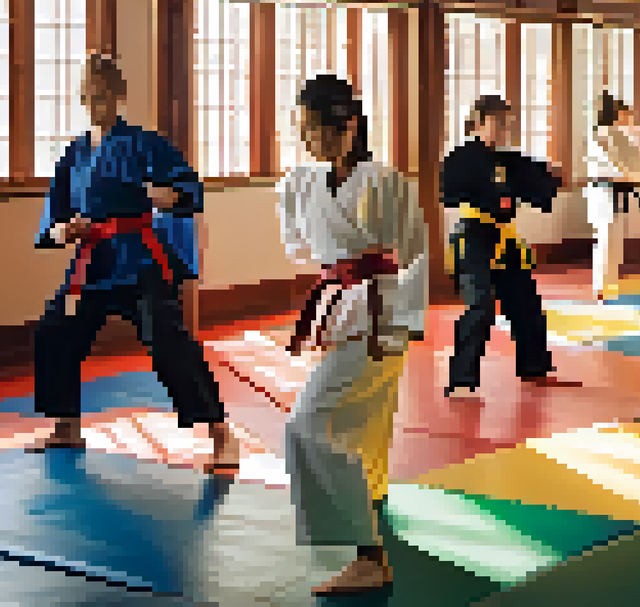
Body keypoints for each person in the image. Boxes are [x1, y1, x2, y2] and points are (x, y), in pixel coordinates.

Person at [29, 54, 239, 474]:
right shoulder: (74, 153)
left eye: (102, 93)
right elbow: (52, 221)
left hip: (141, 259)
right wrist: (65, 231)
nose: (94, 100)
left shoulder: (144, 143)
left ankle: (221, 434)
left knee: (168, 341)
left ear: (119, 95)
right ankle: (66, 424)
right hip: (93, 263)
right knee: (55, 330)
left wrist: (167, 195)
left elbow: (188, 188)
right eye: (88, 93)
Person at [276, 74, 427, 595]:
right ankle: (372, 512)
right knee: (363, 423)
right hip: (342, 311)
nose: (307, 140)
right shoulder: (306, 182)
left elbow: (415, 254)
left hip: (381, 313)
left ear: (347, 125)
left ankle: (367, 554)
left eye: (314, 128)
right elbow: (299, 247)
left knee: (307, 424)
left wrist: (406, 325)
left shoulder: (386, 182)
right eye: (302, 129)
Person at [441, 95, 573, 398]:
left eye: (508, 123)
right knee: (480, 305)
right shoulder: (461, 157)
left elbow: (538, 181)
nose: (505, 129)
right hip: (473, 236)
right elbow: (449, 193)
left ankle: (535, 366)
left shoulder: (508, 160)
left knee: (526, 301)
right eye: (498, 122)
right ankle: (462, 379)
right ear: (478, 122)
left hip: (504, 238)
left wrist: (551, 175)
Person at [585, 92, 640, 302]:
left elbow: (633, 162)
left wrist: (636, 173)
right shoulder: (603, 134)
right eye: (624, 112)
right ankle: (602, 288)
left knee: (612, 240)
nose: (628, 116)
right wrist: (634, 173)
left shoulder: (614, 134)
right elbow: (612, 164)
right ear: (615, 113)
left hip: (613, 189)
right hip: (605, 190)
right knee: (607, 240)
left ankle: (608, 286)